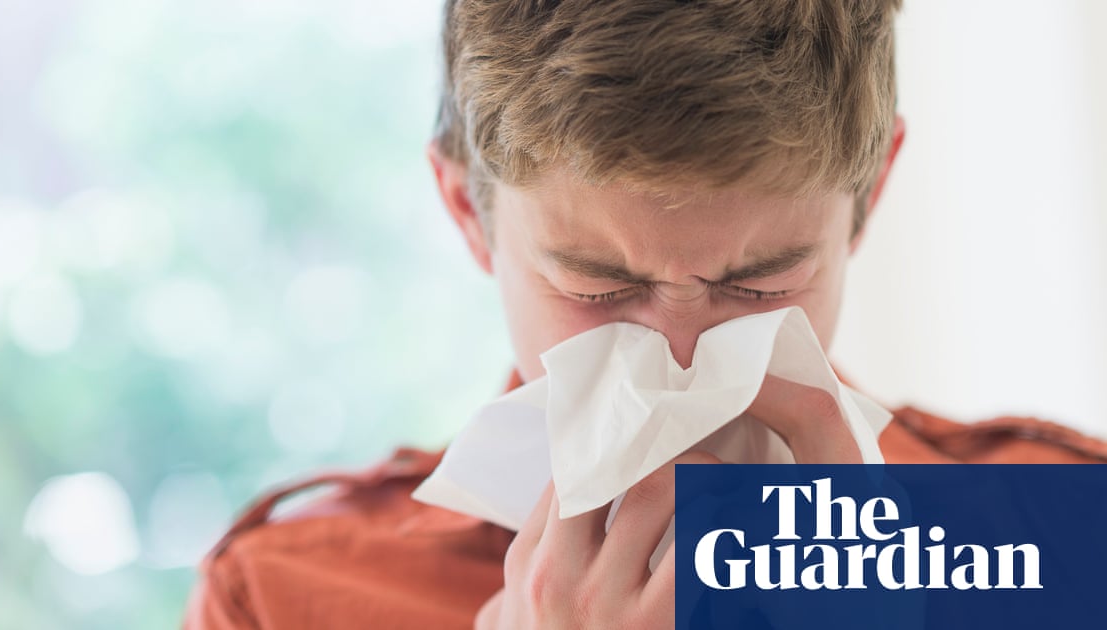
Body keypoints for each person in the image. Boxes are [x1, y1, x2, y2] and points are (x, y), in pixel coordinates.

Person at [183, 1, 1107, 628]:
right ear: (469, 213)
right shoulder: (288, 599)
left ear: (870, 193)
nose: (681, 355)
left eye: (759, 283)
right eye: (596, 287)